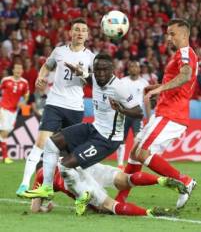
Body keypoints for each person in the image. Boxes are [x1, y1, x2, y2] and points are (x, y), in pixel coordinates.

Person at [23, 53, 143, 199]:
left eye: (105, 69)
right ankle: (47, 187)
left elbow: (139, 112)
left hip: (107, 139)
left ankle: (85, 196)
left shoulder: (119, 88)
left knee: (66, 165)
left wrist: (121, 110)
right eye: (97, 69)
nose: (101, 73)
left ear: (112, 69)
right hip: (94, 128)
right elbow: (89, 78)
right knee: (51, 143)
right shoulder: (95, 78)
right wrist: (79, 72)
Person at [115, 18, 198, 209]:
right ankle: (120, 200)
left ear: (185, 35)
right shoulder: (179, 54)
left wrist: (159, 90)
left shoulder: (185, 53)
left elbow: (185, 76)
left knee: (142, 153)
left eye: (172, 34)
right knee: (135, 154)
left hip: (172, 113)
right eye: (167, 33)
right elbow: (180, 80)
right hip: (164, 112)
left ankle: (184, 180)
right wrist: (156, 87)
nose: (168, 37)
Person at [16, 18, 94, 196]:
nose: (80, 32)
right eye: (77, 29)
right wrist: (40, 77)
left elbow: (95, 81)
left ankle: (80, 191)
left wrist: (82, 73)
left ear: (87, 35)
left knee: (70, 152)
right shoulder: (59, 51)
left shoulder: (91, 57)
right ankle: (23, 184)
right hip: (55, 103)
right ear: (71, 33)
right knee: (41, 142)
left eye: (83, 30)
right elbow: (46, 66)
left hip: (75, 107)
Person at [30, 162, 186, 216]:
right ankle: (160, 179)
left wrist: (46, 208)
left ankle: (148, 212)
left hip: (72, 180)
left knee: (108, 207)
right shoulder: (58, 155)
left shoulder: (41, 174)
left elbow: (35, 208)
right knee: (126, 179)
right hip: (84, 165)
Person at [116, 60, 151, 169]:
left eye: (136, 66)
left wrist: (149, 118)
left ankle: (134, 162)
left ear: (139, 69)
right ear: (128, 69)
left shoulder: (144, 83)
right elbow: (117, 97)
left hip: (137, 115)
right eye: (131, 66)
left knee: (138, 138)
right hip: (124, 114)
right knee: (121, 139)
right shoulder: (122, 81)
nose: (133, 68)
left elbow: (147, 101)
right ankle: (120, 165)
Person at [0, 63, 29, 164]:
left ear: (22, 71)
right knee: (4, 133)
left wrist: (23, 102)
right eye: (16, 68)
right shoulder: (6, 80)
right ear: (13, 70)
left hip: (14, 111)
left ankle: (4, 156)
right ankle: (5, 156)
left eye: (20, 68)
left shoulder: (24, 83)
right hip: (3, 108)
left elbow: (26, 95)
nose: (18, 70)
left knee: (5, 132)